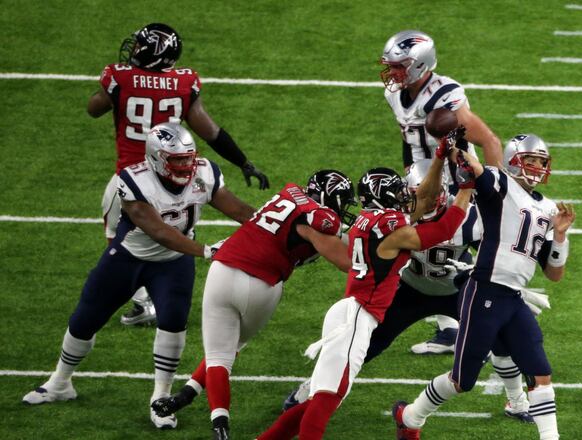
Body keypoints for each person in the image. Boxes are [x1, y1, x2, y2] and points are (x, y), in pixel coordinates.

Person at [21, 123, 256, 431]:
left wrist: (273, 225)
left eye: (189, 158)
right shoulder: (134, 180)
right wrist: (208, 252)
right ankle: (60, 382)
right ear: (158, 159)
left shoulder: (205, 172)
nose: (186, 165)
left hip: (173, 264)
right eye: (178, 160)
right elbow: (159, 231)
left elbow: (237, 208)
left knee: (173, 323)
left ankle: (161, 398)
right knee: (85, 318)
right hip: (130, 258)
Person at [282, 159, 535, 423]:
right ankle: (312, 389)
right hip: (410, 288)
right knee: (365, 343)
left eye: (433, 193)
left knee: (501, 335)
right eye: (417, 194)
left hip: (456, 288)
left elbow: (494, 251)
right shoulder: (397, 219)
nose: (426, 198)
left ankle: (517, 401)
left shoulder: (469, 216)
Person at [256, 146, 473, 440]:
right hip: (357, 318)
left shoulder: (371, 221)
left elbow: (421, 202)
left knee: (320, 399)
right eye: (398, 194)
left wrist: (438, 157)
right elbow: (443, 228)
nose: (406, 198)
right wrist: (466, 188)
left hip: (350, 312)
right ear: (385, 196)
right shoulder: (391, 227)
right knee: (325, 402)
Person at [393, 134, 576, 440]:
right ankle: (410, 416)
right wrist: (456, 146)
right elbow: (475, 169)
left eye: (541, 162)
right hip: (484, 293)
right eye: (529, 160)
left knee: (541, 375)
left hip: (513, 299)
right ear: (512, 160)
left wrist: (559, 236)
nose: (536, 167)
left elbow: (554, 274)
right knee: (461, 381)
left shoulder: (547, 208)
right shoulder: (500, 185)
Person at [150, 170, 357, 439]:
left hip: (225, 268)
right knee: (229, 348)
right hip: (263, 286)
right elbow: (346, 261)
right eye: (342, 201)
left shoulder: (290, 194)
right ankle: (188, 400)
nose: (345, 207)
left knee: (219, 356)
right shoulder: (319, 220)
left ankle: (209, 418)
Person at [88, 22, 269, 326]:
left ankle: (139, 302)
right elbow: (210, 132)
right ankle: (272, 235)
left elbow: (93, 108)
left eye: (140, 45)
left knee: (120, 243)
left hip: (131, 177)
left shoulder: (119, 78)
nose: (134, 49)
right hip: (177, 176)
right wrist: (243, 162)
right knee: (176, 233)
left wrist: (110, 90)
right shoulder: (184, 84)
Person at [380, 29, 502, 354]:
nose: (392, 73)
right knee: (428, 248)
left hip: (458, 179)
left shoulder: (445, 95)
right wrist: (412, 174)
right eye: (390, 66)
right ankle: (449, 328)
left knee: (476, 246)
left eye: (398, 66)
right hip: (425, 179)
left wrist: (497, 191)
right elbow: (410, 139)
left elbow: (489, 140)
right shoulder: (395, 94)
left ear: (419, 64)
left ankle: (498, 319)